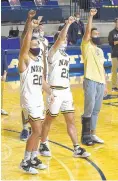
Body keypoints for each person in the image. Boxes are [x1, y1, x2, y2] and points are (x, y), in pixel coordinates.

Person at [39, 16, 90, 158]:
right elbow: (60, 38)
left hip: (66, 91)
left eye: (66, 39)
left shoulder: (66, 56)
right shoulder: (52, 53)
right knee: (49, 120)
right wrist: (67, 24)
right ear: (57, 41)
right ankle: (43, 143)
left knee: (71, 120)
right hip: (55, 91)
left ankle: (76, 148)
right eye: (63, 39)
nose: (65, 40)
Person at [19, 17, 54, 174]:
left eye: (37, 45)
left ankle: (33, 157)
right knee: (37, 130)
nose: (36, 48)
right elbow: (24, 48)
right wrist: (31, 28)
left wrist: (51, 92)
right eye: (33, 45)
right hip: (29, 100)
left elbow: (42, 82)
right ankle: (25, 161)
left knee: (38, 131)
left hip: (38, 99)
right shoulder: (24, 60)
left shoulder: (39, 62)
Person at [20, 10, 49, 141]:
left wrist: (44, 76)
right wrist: (29, 20)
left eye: (41, 24)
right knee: (27, 103)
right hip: (28, 68)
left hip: (40, 73)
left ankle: (34, 128)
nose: (40, 25)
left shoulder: (44, 42)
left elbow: (44, 59)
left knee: (37, 103)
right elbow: (25, 34)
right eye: (38, 23)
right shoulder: (29, 38)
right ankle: (25, 128)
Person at [80, 9, 108, 146]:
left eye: (98, 34)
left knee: (96, 110)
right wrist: (91, 16)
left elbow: (102, 67)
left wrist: (106, 84)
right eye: (94, 33)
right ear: (90, 36)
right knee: (89, 109)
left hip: (100, 82)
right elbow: (86, 33)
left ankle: (92, 133)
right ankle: (85, 136)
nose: (97, 35)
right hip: (90, 80)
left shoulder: (100, 50)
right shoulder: (86, 46)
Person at [108, 18, 118, 92]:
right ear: (115, 23)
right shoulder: (112, 33)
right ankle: (114, 86)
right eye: (117, 22)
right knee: (114, 71)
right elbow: (111, 43)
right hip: (115, 54)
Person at [1, 49, 8, 115]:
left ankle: (0, 109)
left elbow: (4, 63)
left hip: (0, 76)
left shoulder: (1, 51)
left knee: (1, 94)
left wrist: (5, 74)